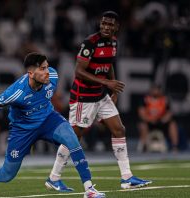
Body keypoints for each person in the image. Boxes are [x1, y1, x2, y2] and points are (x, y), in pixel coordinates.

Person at [0, 52, 105, 198]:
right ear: (31, 73)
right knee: (5, 175)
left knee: (72, 139)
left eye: (47, 67)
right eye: (42, 69)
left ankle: (89, 189)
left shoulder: (53, 76)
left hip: (48, 119)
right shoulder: (16, 93)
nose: (47, 71)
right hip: (23, 130)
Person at [45, 11, 152, 191]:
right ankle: (53, 178)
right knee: (73, 137)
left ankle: (127, 177)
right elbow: (79, 71)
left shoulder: (113, 43)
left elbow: (108, 64)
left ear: (117, 27)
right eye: (103, 23)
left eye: (110, 24)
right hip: (82, 97)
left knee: (119, 129)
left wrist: (111, 87)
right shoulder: (90, 43)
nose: (106, 27)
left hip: (100, 95)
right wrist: (106, 82)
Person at [137, 84, 179, 152]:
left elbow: (169, 113)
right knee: (142, 125)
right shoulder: (145, 99)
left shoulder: (165, 99)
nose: (155, 91)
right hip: (149, 122)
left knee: (172, 124)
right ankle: (144, 146)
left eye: (157, 89)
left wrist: (163, 119)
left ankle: (175, 146)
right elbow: (141, 113)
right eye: (154, 89)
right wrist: (150, 119)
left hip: (161, 122)